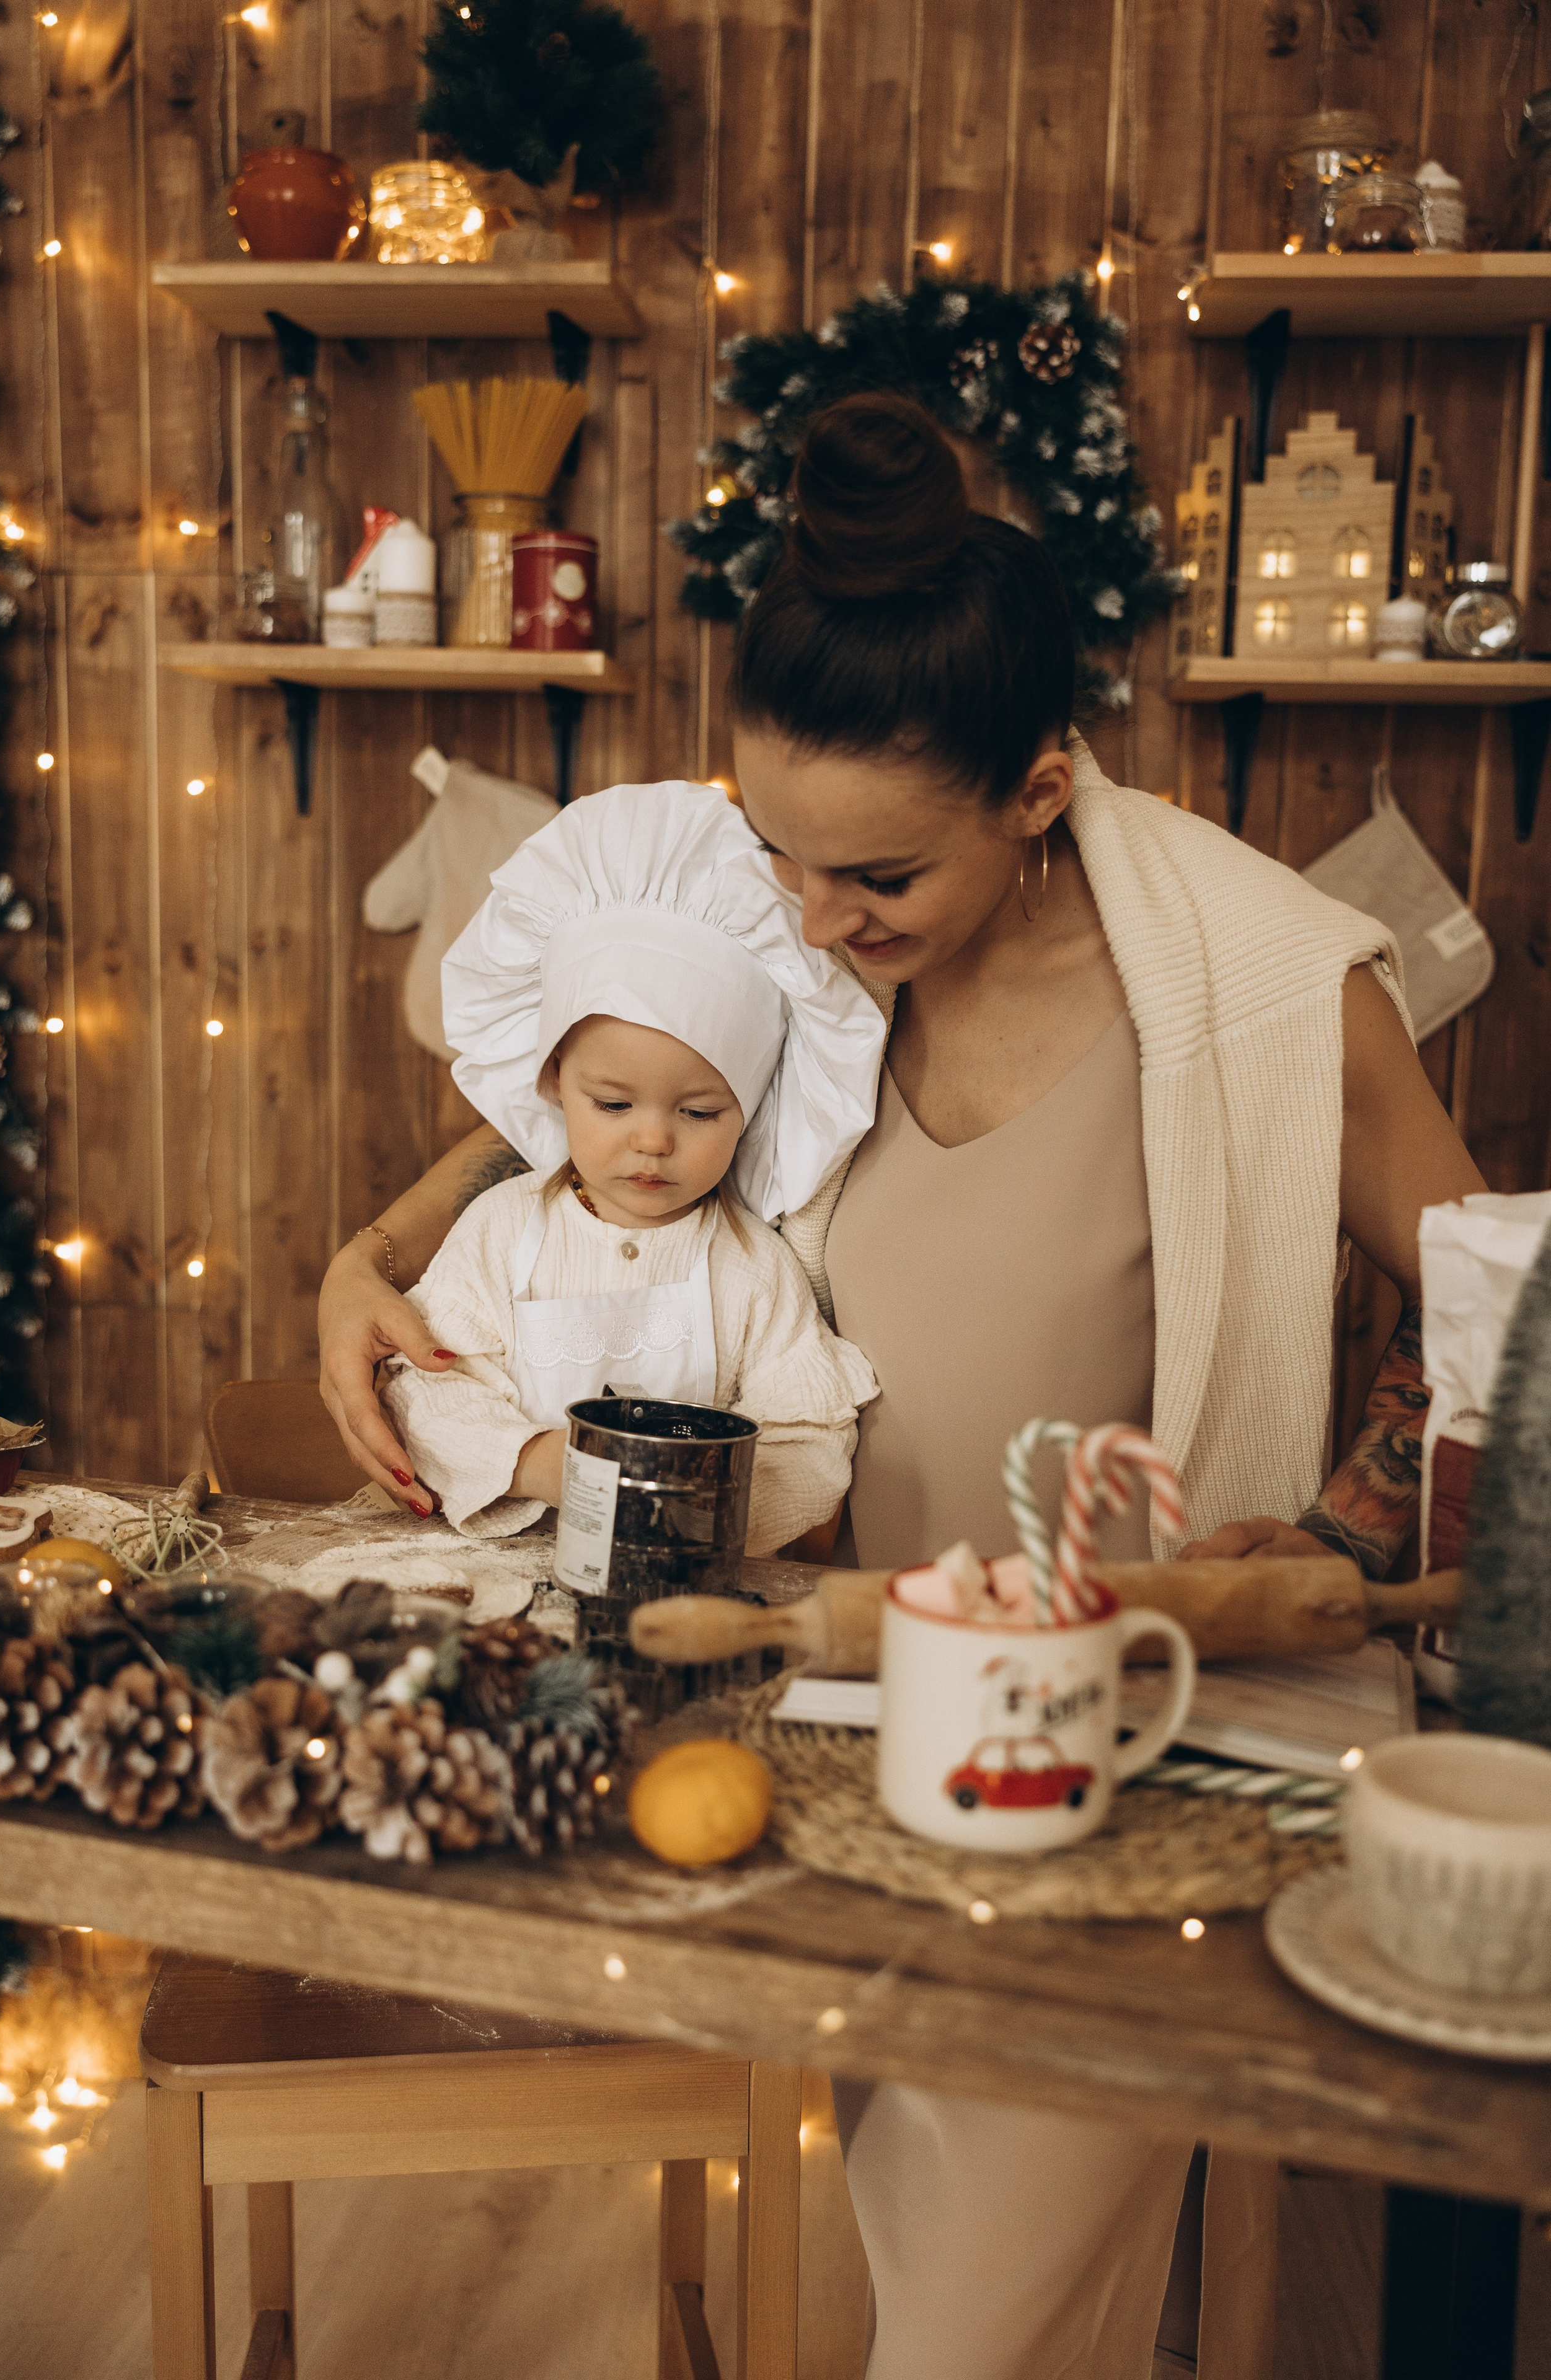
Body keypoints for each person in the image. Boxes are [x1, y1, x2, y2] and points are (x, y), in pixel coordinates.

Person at [319, 392, 1485, 2377]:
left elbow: (1500, 1312)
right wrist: (382, 1243)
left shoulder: (1263, 984)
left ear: (1036, 792)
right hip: (836, 1742)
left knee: (969, 2329)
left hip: (1107, 1763)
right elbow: (599, 1103)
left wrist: (1347, 1524)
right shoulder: (794, 972)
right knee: (944, 2281)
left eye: (875, 879)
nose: (811, 919)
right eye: (775, 854)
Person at [376, 778, 884, 1553]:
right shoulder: (502, 1230)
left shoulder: (753, 1268)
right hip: (502, 1570)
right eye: (614, 1105)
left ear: (751, 1111)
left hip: (687, 1586)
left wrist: (717, 1511)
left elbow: (808, 1434)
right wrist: (548, 1465)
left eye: (699, 1113)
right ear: (553, 1083)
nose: (653, 1142)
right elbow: (426, 1392)